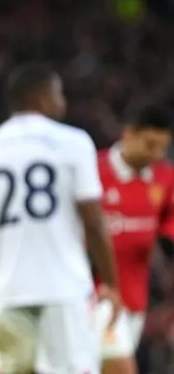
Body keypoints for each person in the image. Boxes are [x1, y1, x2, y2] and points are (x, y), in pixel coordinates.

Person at [0, 63, 122, 374]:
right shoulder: (74, 143)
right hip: (64, 289)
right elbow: (94, 223)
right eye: (59, 95)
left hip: (9, 291)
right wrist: (109, 281)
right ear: (42, 97)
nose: (63, 102)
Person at [92, 103, 174, 374]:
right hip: (95, 296)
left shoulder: (165, 177)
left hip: (135, 301)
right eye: (150, 145)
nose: (156, 154)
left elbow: (168, 236)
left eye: (162, 147)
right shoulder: (93, 171)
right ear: (129, 134)